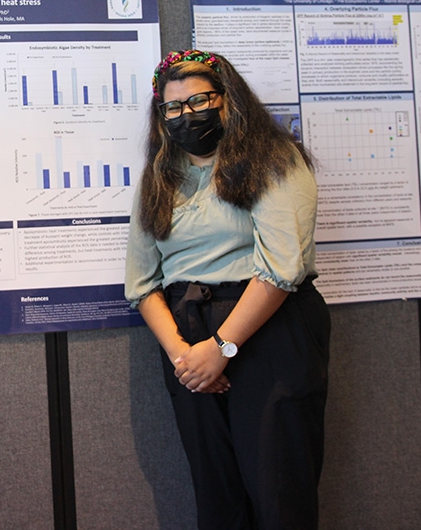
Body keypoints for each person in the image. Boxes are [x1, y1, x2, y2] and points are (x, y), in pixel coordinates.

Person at [125, 49, 330, 530]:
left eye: (199, 100)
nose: (186, 115)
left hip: (268, 328)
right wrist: (187, 357)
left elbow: (282, 267)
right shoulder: (159, 177)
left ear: (227, 100)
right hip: (187, 339)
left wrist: (222, 347)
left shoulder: (273, 158)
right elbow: (141, 283)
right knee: (217, 499)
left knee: (279, 491)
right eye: (172, 107)